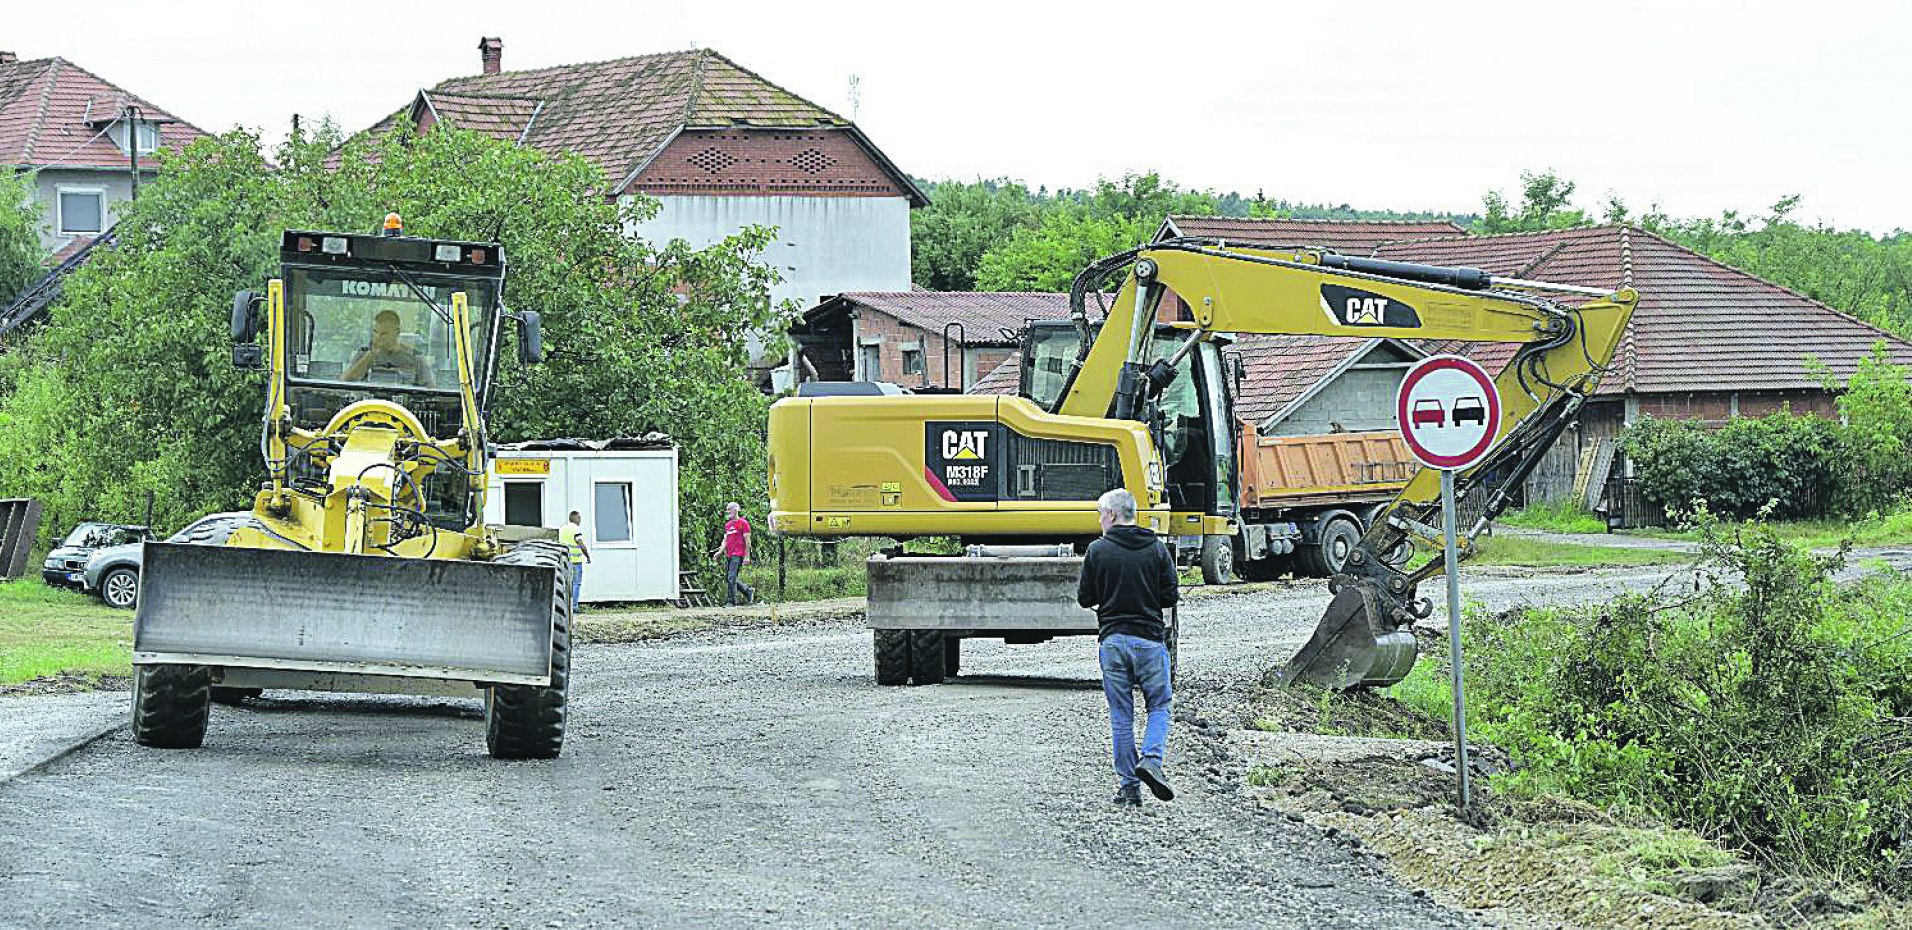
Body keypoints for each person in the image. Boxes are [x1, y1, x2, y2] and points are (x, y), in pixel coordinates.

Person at [1077, 488, 1179, 807]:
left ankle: (1130, 787)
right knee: (1159, 706)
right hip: (1149, 641)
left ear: (1111, 515)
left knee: (1122, 714)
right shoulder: (1156, 549)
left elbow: (1085, 598)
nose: (1099, 520)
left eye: (1100, 514)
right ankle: (1151, 759)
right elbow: (1170, 596)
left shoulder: (1097, 550)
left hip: (1113, 641)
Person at [343, 309, 435, 387]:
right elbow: (345, 382)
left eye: (384, 334)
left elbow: (430, 390)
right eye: (375, 332)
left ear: (397, 332)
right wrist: (370, 355)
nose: (378, 337)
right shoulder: (364, 354)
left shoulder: (415, 358)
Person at [711, 502, 755, 607]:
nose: (728, 511)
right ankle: (747, 591)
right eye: (727, 509)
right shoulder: (728, 525)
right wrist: (719, 552)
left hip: (738, 554)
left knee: (731, 577)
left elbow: (747, 540)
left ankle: (731, 602)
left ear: (736, 510)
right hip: (729, 554)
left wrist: (747, 556)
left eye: (729, 509)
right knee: (729, 578)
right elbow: (725, 540)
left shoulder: (743, 523)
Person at [557, 510, 590, 614]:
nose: (580, 520)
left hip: (565, 561)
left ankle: (565, 608)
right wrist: (587, 556)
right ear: (575, 518)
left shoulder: (562, 530)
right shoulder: (575, 530)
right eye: (579, 518)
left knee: (566, 584)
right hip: (575, 562)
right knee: (576, 584)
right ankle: (574, 607)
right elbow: (580, 544)